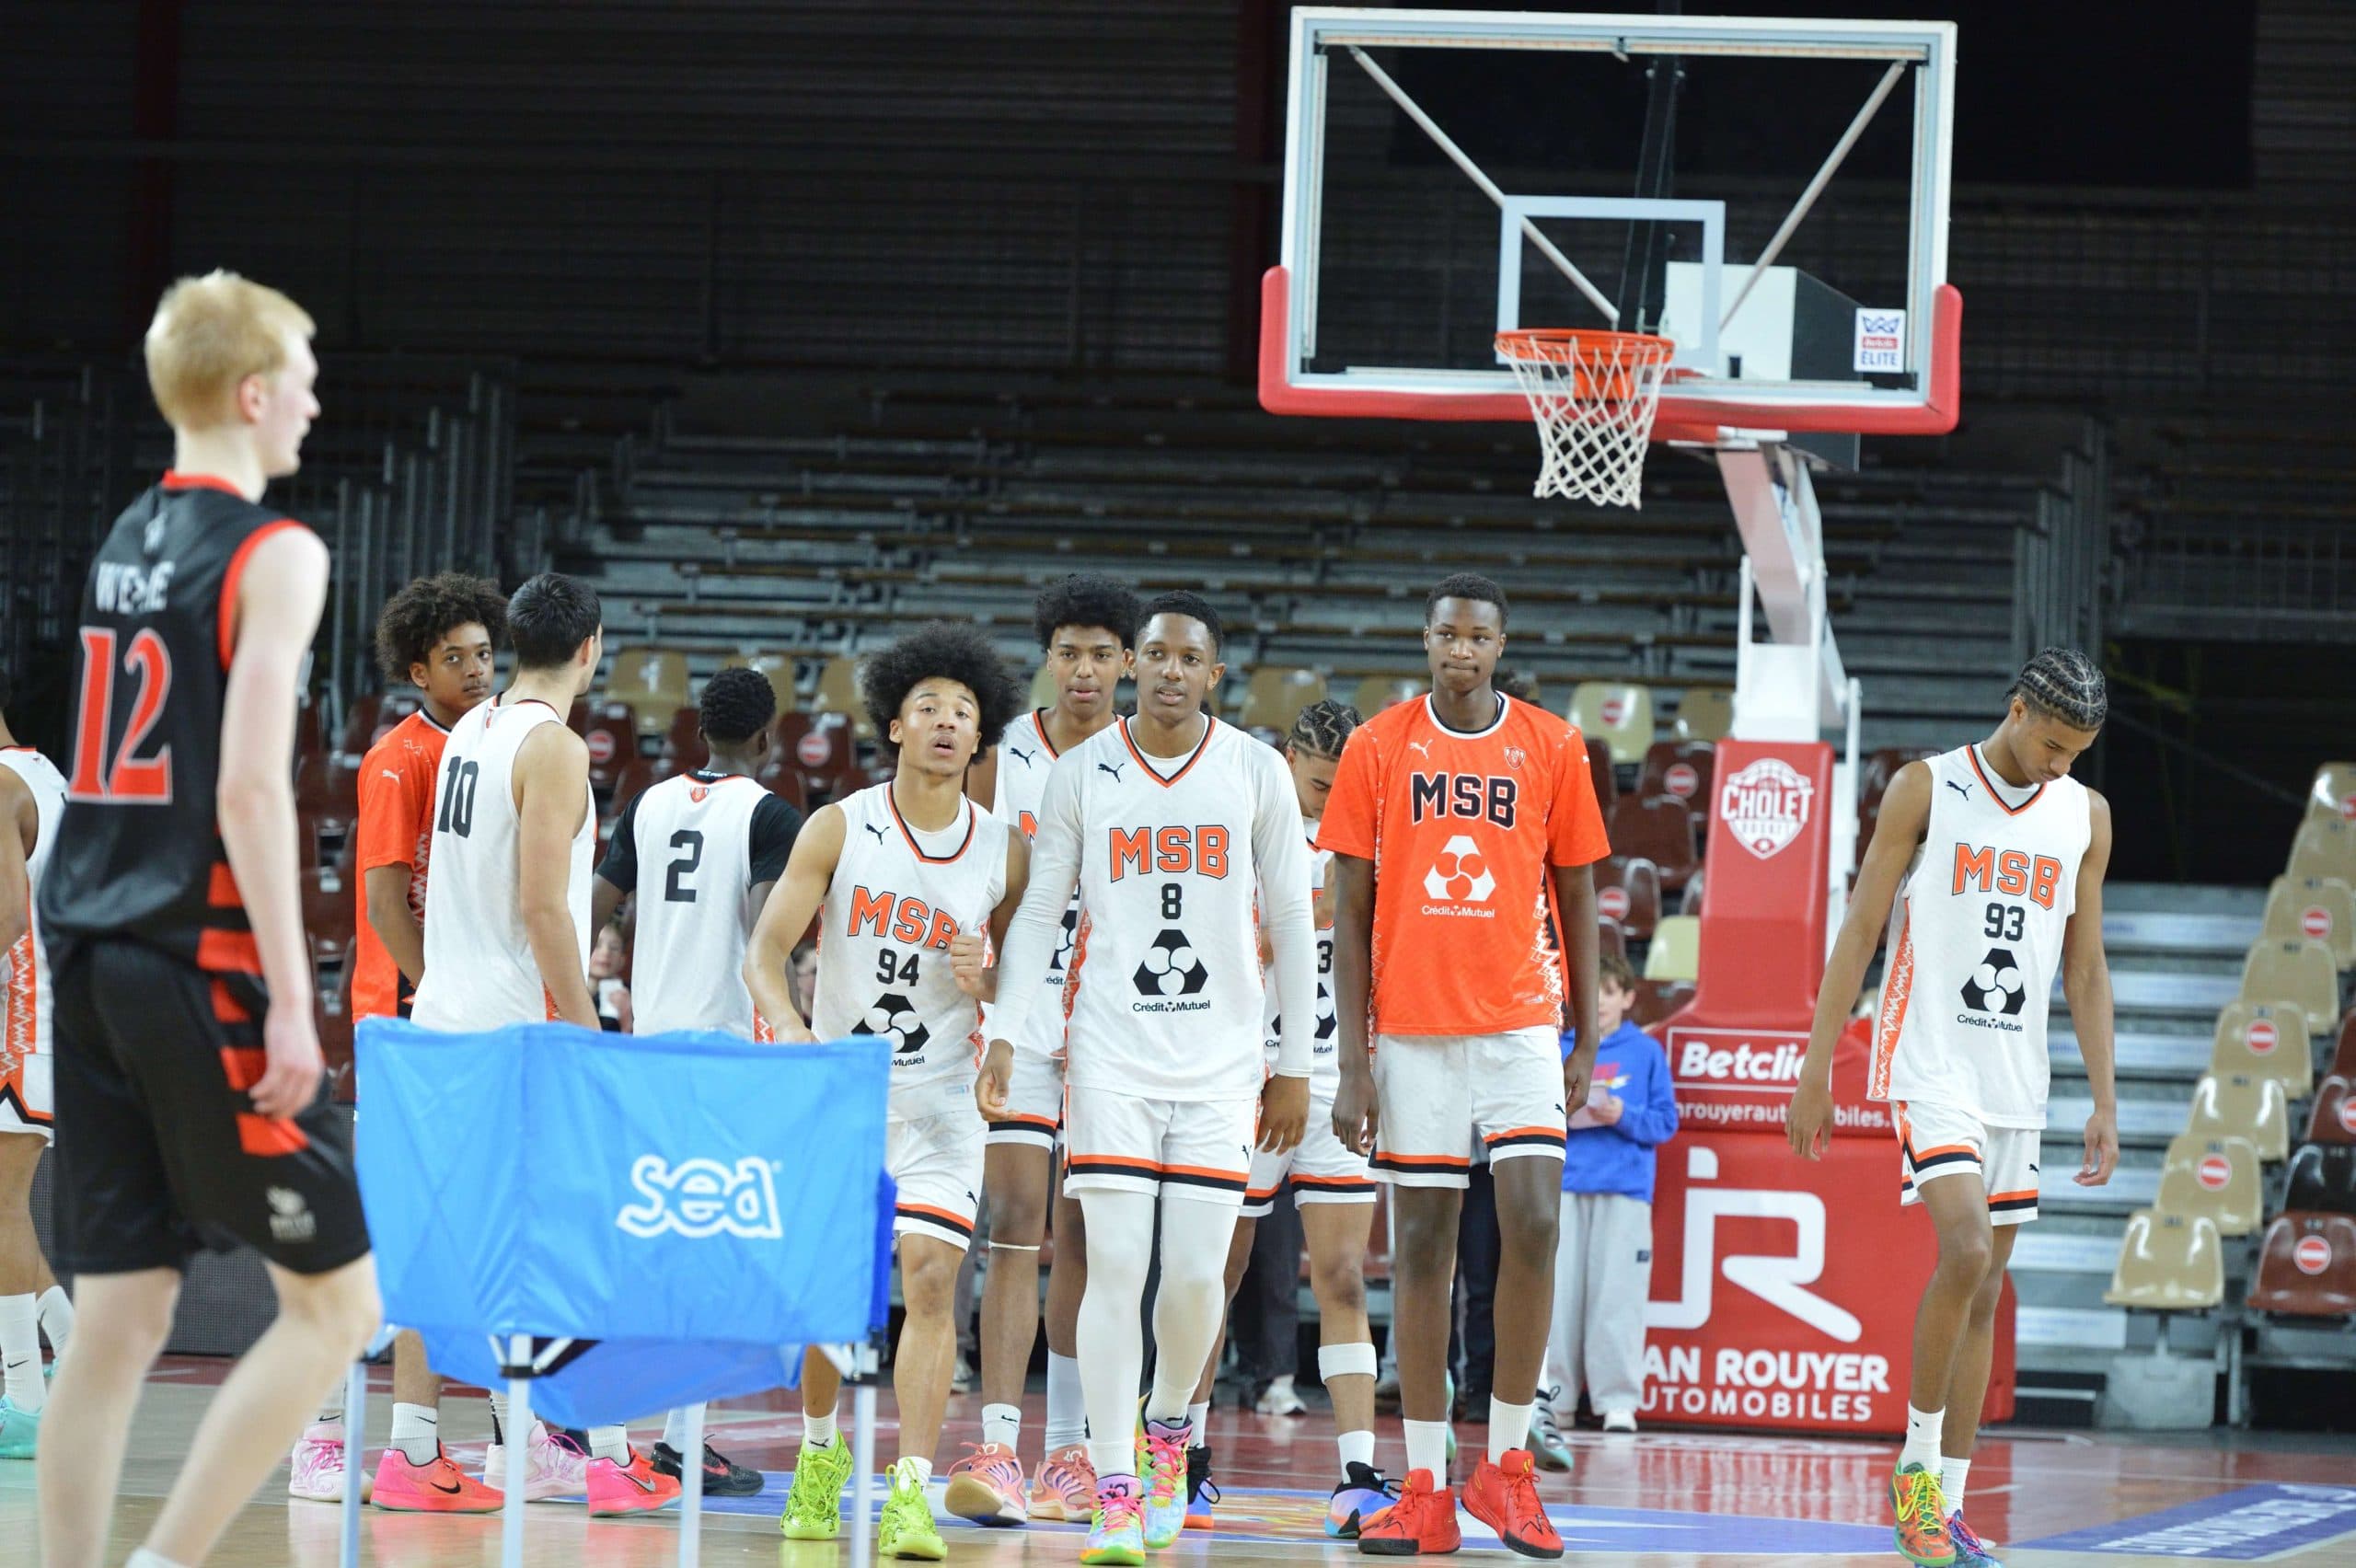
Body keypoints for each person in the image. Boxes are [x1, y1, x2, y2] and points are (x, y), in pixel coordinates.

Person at [36, 272, 382, 1568]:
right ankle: (166, 1562)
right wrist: (295, 995)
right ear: (250, 394)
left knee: (120, 1316)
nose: (311, 398)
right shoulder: (276, 549)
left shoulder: (125, 536)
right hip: (199, 954)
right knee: (340, 1306)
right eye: (299, 373)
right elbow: (247, 785)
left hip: (93, 948)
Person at [982, 591, 1318, 1567]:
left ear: (1214, 674)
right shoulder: (1084, 773)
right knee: (1117, 1266)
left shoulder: (1254, 770)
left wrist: (1292, 1064)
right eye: (1157, 656)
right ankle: (1118, 1484)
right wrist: (1009, 1030)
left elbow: (1294, 925)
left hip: (1223, 1063)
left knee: (1192, 1278)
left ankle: (1171, 1426)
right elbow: (1042, 910)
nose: (1171, 671)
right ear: (1136, 667)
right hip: (1111, 1053)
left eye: (1190, 659)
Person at [1789, 648, 2117, 1568]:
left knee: (1984, 1290)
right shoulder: (1925, 788)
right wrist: (1817, 1068)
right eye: (2052, 744)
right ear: (2014, 709)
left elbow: (2086, 966)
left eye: (2077, 752)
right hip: (1928, 1058)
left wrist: (2104, 1097)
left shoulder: (2085, 815)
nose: (2061, 765)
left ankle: (1953, 1507)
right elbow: (1860, 925)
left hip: (2017, 1075)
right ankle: (1917, 1474)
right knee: (1965, 1250)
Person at [1323, 571, 1610, 1560]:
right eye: (1445, 633)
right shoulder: (1376, 745)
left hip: (1521, 1021)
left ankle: (1509, 1469)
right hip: (1410, 1027)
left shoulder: (1551, 744)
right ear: (1425, 639)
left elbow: (1576, 888)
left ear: (1499, 645)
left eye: (1476, 636)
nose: (1459, 649)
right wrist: (1353, 1061)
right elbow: (1349, 907)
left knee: (1532, 1223)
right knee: (1421, 1252)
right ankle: (1422, 1488)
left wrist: (1588, 1033)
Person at [746, 622, 1030, 1560]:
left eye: (964, 712)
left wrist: (987, 978)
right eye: (928, 709)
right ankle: (821, 1455)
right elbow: (764, 951)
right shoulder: (842, 824)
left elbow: (1025, 981)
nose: (947, 723)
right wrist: (789, 1030)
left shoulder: (1006, 851)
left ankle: (909, 1491)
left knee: (933, 1278)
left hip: (945, 1096)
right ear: (896, 728)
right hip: (847, 1091)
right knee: (833, 1297)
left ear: (981, 737)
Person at [408, 571, 681, 1517]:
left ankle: (487, 1446)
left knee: (473, 1247)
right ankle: (599, 1453)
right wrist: (586, 1023)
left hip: (444, 1007)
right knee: (573, 1240)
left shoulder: (466, 734)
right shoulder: (553, 747)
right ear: (592, 647)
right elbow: (539, 905)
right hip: (515, 1021)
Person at [282, 571, 509, 1510]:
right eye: (454, 658)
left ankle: (475, 1440)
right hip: (408, 1027)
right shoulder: (395, 757)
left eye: (485, 654)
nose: (476, 670)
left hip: (465, 1028)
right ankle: (320, 1439)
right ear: (418, 669)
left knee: (465, 1238)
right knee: (378, 1244)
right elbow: (380, 900)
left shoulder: (500, 747)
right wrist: (435, 992)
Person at [950, 572, 1138, 1528]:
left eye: (1103, 653)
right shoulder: (1002, 755)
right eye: (1069, 650)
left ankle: (1074, 1448)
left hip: (1114, 1021)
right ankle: (998, 1439)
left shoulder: (1145, 761)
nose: (1085, 668)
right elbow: (975, 879)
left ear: (1129, 665)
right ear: (1046, 658)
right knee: (1014, 1221)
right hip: (1019, 1015)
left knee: (1093, 1237)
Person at [592, 663, 802, 1496]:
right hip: (724, 1050)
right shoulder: (773, 814)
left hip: (649, 1048)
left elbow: (595, 904)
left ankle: (624, 1434)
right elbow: (764, 941)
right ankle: (677, 1441)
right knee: (711, 1251)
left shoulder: (647, 802)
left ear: (698, 732)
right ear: (765, 739)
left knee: (647, 1243)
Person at [1181, 698, 1390, 1536]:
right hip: (1249, 1079)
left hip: (1339, 1082)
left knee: (1339, 1277)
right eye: (1319, 779)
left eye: (1345, 783)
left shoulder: (1374, 849)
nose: (1332, 793)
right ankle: (1183, 1453)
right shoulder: (1246, 832)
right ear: (1287, 759)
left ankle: (1358, 1468)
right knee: (1215, 1274)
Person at [1535, 951, 1677, 1461]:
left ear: (1627, 998)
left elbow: (1665, 1123)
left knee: (1618, 1297)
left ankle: (1618, 1400)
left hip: (1624, 1191)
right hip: (1566, 1185)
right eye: (1589, 992)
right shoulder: (1556, 1046)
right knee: (1561, 1297)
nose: (1599, 1001)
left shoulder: (1646, 1053)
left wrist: (1621, 1112)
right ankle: (1559, 1398)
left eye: (1609, 991)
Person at [0, 669, 73, 1460]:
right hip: (50, 1013)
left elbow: (8, 916)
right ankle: (75, 1358)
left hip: (22, 1017)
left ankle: (25, 1397)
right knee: (5, 1212)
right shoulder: (43, 771)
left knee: (1, 1210)